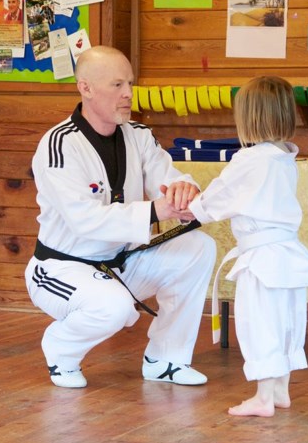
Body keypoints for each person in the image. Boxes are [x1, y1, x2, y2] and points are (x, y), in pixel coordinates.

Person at [24, 45, 217, 388]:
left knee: (197, 247)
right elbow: (84, 220)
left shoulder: (138, 135)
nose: (128, 94)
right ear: (85, 88)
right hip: (63, 268)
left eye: (129, 83)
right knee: (113, 307)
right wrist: (159, 210)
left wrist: (184, 193)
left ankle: (166, 358)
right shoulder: (59, 145)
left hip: (122, 261)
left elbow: (167, 178)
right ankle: (60, 348)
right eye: (117, 85)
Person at [182, 76, 308, 417]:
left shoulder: (250, 159)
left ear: (249, 117)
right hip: (289, 256)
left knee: (259, 323)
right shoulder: (284, 156)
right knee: (285, 322)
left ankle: (262, 399)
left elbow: (218, 196)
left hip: (262, 259)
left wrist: (192, 211)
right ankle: (280, 390)